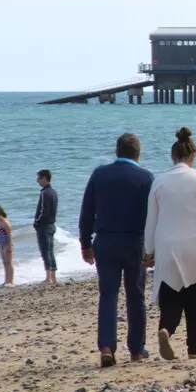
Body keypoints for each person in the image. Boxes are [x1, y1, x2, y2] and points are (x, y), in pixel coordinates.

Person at [144, 127, 196, 361]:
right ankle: (193, 349)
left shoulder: (159, 181)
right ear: (193, 156)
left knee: (170, 294)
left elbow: (151, 221)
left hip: (167, 246)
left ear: (173, 156)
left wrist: (148, 252)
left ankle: (166, 329)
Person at [80, 132, 154, 367]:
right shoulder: (146, 178)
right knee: (136, 295)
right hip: (135, 242)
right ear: (138, 154)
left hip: (106, 241)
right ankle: (136, 349)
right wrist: (152, 248)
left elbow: (86, 212)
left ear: (117, 151)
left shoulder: (99, 174)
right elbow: (152, 218)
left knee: (108, 295)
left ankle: (106, 347)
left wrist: (85, 244)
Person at [33, 169, 58, 285]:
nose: (37, 180)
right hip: (52, 224)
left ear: (44, 178)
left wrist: (36, 222)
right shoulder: (53, 192)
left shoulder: (45, 193)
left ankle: (48, 278)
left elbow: (44, 210)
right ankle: (53, 276)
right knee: (50, 251)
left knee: (45, 251)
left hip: (44, 225)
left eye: (39, 178)